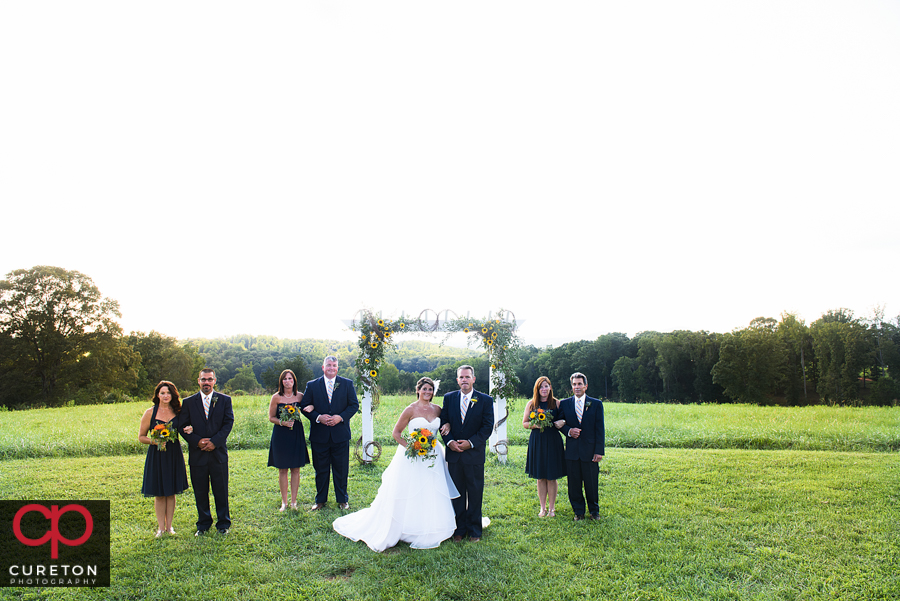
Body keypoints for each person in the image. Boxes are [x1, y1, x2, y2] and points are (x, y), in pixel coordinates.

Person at [333, 377, 459, 551]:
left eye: (430, 389)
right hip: (412, 455)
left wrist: (448, 425)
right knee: (411, 489)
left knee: (432, 488)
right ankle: (408, 526)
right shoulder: (410, 409)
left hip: (434, 455)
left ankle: (431, 525)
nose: (427, 392)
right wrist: (413, 447)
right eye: (425, 389)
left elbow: (446, 422)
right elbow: (396, 433)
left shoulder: (438, 409)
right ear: (418, 390)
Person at [440, 364, 494, 542]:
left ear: (473, 379)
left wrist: (470, 444)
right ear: (457, 380)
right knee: (457, 494)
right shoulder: (449, 398)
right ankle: (458, 530)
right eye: (461, 377)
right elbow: (444, 423)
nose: (464, 380)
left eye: (467, 377)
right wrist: (450, 442)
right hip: (454, 455)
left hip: (474, 455)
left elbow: (487, 428)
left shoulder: (485, 400)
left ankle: (475, 530)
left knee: (475, 492)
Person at [179, 368, 234, 535]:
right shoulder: (188, 402)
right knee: (200, 491)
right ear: (198, 381)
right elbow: (182, 426)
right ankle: (203, 524)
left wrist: (214, 442)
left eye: (210, 379)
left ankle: (223, 524)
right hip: (198, 455)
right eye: (203, 379)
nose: (206, 382)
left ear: (214, 381)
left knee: (221, 490)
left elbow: (228, 423)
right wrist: (197, 441)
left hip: (218, 454)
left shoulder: (224, 400)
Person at [300, 356, 359, 510]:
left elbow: (354, 405)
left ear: (337, 368)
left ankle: (342, 500)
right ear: (323, 367)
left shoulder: (347, 384)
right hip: (320, 435)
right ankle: (320, 501)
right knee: (321, 469)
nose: (331, 368)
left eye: (334, 365)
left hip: (340, 434)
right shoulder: (312, 385)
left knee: (341, 469)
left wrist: (341, 417)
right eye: (328, 365)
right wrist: (318, 417)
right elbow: (304, 406)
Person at [139, 380, 190, 537]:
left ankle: (170, 527)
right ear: (157, 395)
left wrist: (189, 429)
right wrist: (154, 441)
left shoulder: (178, 411)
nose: (165, 395)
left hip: (173, 454)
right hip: (157, 455)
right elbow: (141, 437)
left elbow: (185, 428)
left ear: (173, 395)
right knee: (159, 493)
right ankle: (160, 528)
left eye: (168, 392)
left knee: (171, 492)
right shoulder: (150, 412)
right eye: (162, 393)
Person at [556, 372, 605, 521]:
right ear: (571, 386)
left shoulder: (596, 404)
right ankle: (578, 512)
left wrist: (599, 451)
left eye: (579, 384)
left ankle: (594, 511)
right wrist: (569, 431)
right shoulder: (564, 404)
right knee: (574, 484)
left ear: (586, 386)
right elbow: (558, 423)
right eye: (574, 384)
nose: (577, 387)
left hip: (590, 451)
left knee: (591, 483)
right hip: (571, 452)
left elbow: (600, 429)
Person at [522, 376, 566, 517]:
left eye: (546, 386)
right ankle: (543, 508)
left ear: (550, 388)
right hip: (538, 441)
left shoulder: (557, 403)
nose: (544, 389)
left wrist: (563, 422)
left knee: (552, 476)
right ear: (537, 389)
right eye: (541, 387)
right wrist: (536, 424)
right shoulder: (531, 404)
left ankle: (552, 508)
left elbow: (564, 419)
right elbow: (525, 423)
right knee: (540, 476)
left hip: (553, 441)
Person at [267, 369, 310, 511]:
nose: (287, 381)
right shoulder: (276, 397)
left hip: (296, 433)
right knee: (283, 469)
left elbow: (308, 408)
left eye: (290, 378)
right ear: (281, 382)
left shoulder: (300, 396)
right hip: (281, 434)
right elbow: (271, 417)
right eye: (284, 379)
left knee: (296, 469)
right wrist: (282, 422)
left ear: (294, 381)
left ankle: (294, 502)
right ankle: (284, 502)